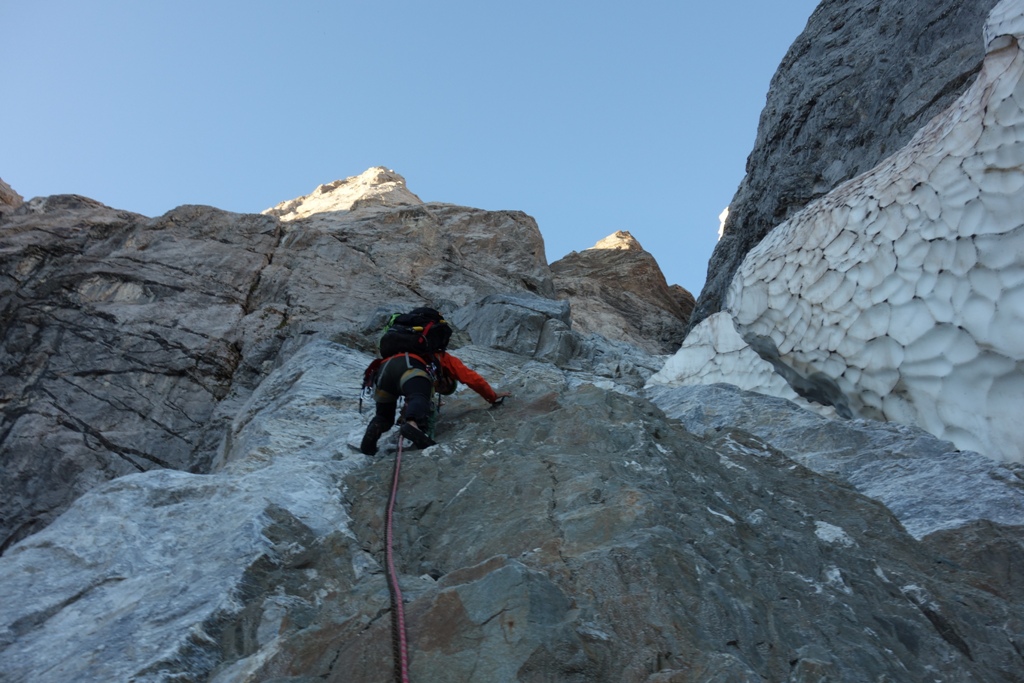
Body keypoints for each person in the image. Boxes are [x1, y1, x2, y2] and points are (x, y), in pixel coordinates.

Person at [360, 346, 510, 456]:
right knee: (420, 396)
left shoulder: (417, 352)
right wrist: (492, 395)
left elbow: (409, 400)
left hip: (383, 370)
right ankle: (412, 425)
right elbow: (471, 377)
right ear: (447, 377)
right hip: (410, 367)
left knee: (384, 417)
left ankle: (371, 439)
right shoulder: (443, 358)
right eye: (446, 385)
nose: (440, 388)